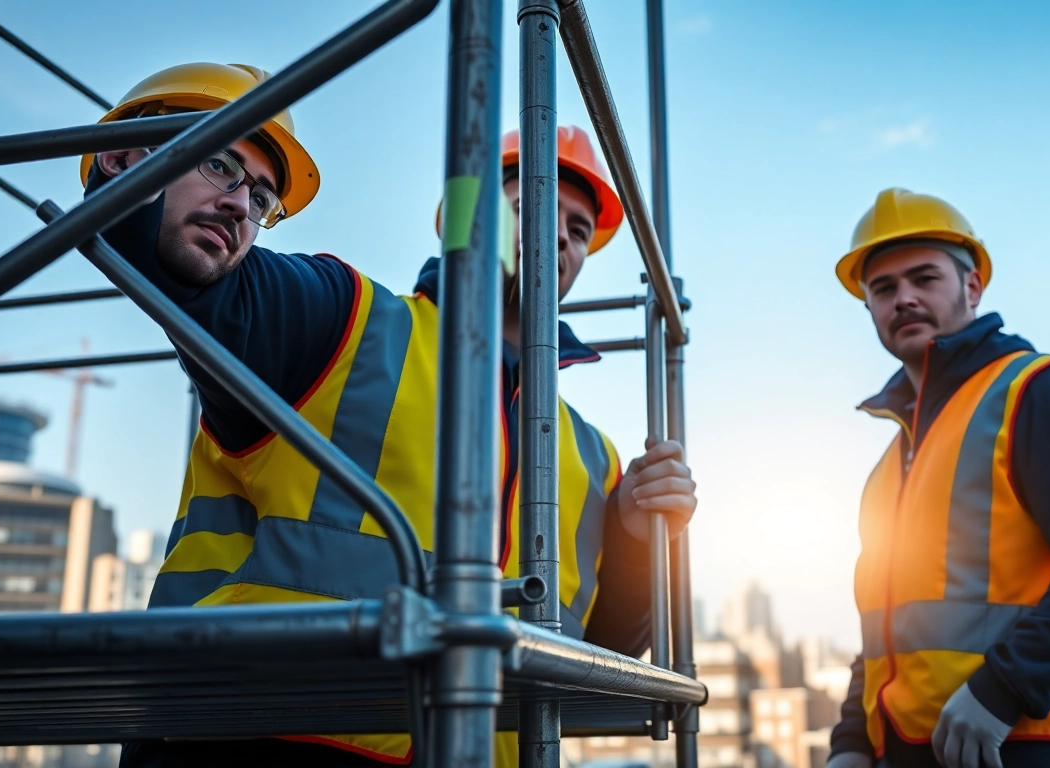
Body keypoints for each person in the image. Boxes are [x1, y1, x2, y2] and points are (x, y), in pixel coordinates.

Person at [83, 62, 697, 768]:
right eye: (527, 201)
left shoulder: (596, 458)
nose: (559, 235)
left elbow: (604, 651)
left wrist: (634, 537)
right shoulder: (343, 319)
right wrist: (134, 171)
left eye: (579, 229)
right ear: (469, 218)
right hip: (249, 738)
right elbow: (194, 266)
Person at [825, 189, 1050, 768]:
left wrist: (1003, 689)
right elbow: (886, 629)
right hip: (916, 754)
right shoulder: (892, 461)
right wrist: (853, 743)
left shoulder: (1038, 391)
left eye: (923, 278)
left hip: (1036, 745)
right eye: (883, 288)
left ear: (972, 287)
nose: (903, 298)